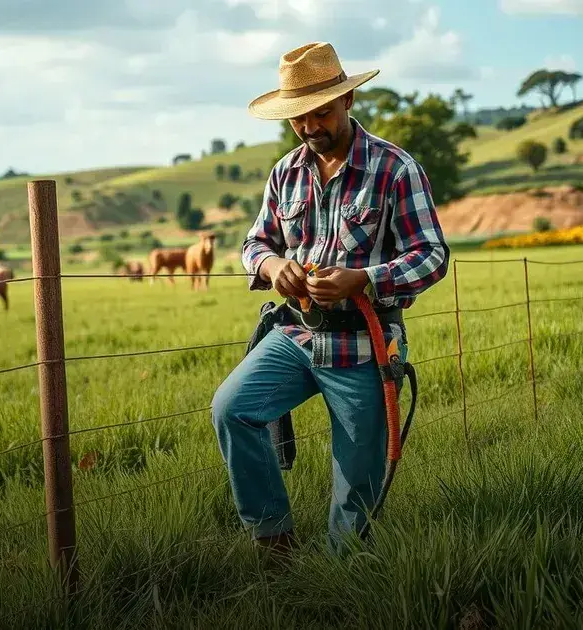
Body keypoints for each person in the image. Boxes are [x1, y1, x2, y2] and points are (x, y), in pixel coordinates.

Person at [210, 42, 450, 561]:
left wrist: (361, 279)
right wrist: (274, 267)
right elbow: (255, 243)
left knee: (356, 480)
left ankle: (344, 568)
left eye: (320, 112)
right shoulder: (285, 172)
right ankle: (273, 542)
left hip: (364, 344)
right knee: (233, 409)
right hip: (294, 335)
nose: (310, 126)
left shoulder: (394, 168)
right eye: (298, 116)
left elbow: (432, 255)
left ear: (347, 100)